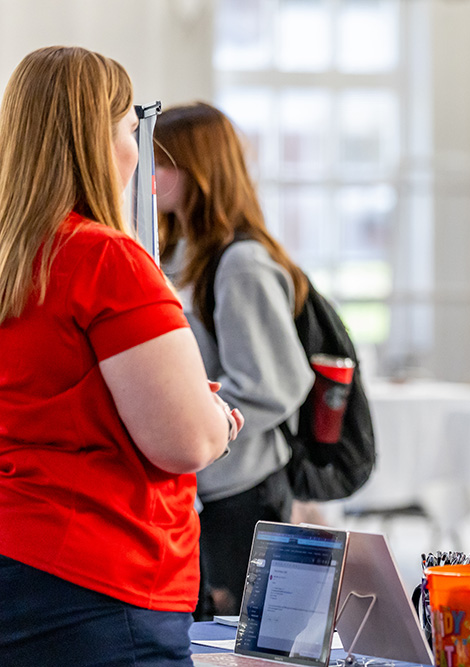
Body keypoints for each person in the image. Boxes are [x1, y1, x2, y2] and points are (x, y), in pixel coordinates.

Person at [0, 47, 243, 666]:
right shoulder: (104, 258)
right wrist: (215, 421)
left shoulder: (13, 261)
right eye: (131, 132)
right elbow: (183, 441)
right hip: (101, 578)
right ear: (100, 141)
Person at [154, 102, 315, 616]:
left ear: (196, 170)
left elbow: (276, 383)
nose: (147, 173)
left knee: (236, 641)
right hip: (210, 485)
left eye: (161, 162)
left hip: (242, 492)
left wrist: (194, 430)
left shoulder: (240, 262)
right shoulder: (184, 255)